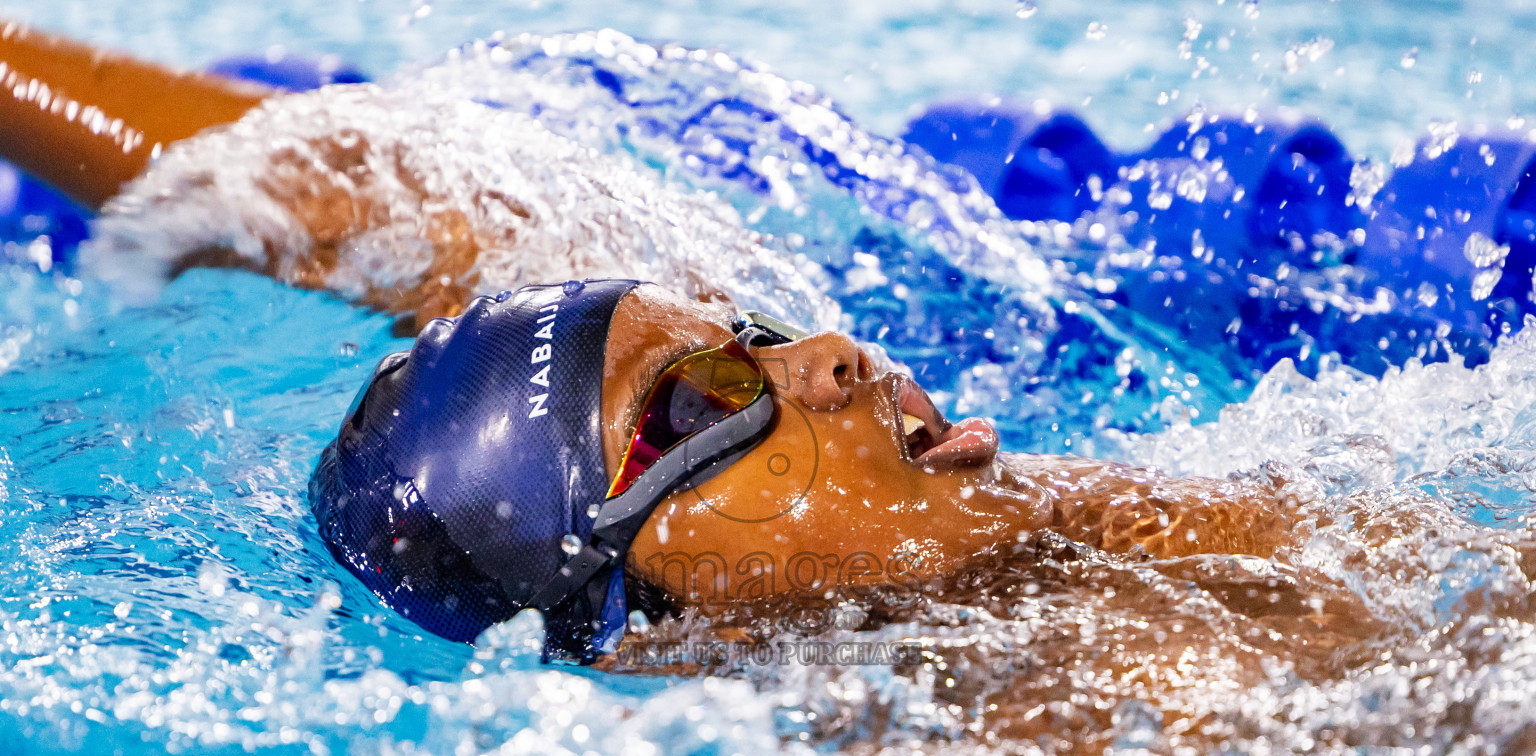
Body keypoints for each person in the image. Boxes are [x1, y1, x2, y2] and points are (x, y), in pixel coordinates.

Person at [0, 23, 1412, 674]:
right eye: (707, 399)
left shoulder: (1055, 549)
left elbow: (331, 197)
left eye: (759, 340)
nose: (837, 356)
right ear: (646, 636)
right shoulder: (1060, 739)